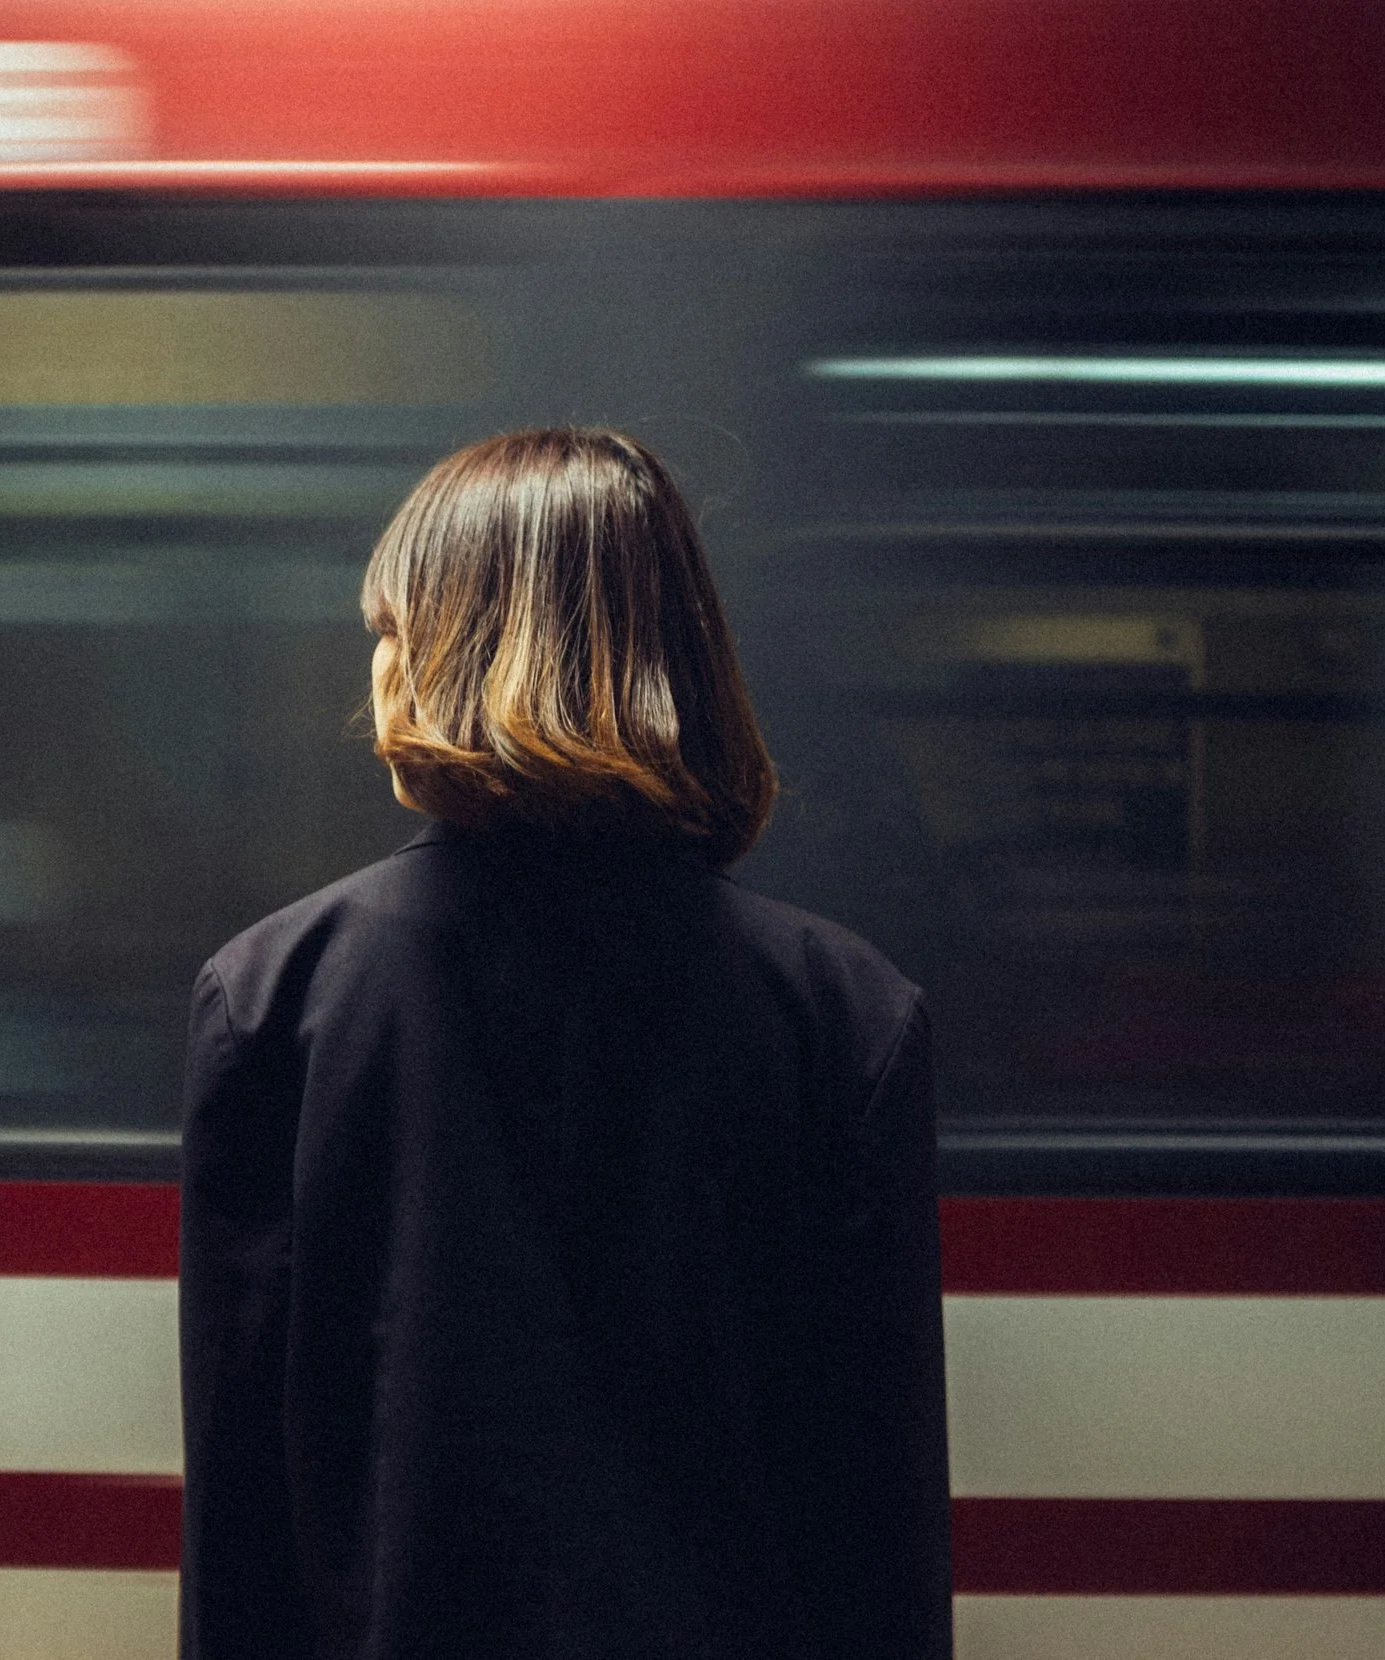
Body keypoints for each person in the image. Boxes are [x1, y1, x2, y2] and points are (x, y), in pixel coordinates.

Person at [179, 427, 952, 1660]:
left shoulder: (276, 999)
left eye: (393, 630)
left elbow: (247, 1520)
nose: (373, 672)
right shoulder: (844, 1016)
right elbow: (874, 1525)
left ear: (465, 653)